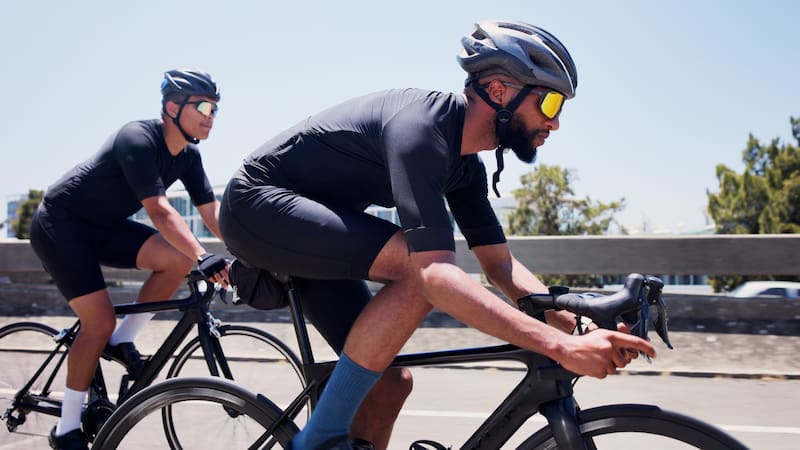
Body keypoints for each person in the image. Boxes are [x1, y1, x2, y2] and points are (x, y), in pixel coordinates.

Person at [219, 20, 655, 450]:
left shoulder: (465, 166)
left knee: (390, 385)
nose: (555, 123)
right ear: (500, 91)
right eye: (549, 104)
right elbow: (433, 276)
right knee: (418, 271)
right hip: (255, 207)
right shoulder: (420, 130)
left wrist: (573, 326)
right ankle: (316, 441)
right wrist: (558, 345)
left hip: (315, 228)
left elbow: (500, 266)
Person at [29, 69, 230, 450]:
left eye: (216, 109)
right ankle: (67, 428)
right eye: (203, 106)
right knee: (98, 322)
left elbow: (210, 212)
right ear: (172, 107)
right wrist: (203, 255)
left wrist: (251, 249)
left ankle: (123, 341)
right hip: (62, 224)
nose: (210, 115)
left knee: (175, 260)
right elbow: (160, 212)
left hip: (104, 226)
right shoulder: (137, 138)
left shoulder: (189, 157)